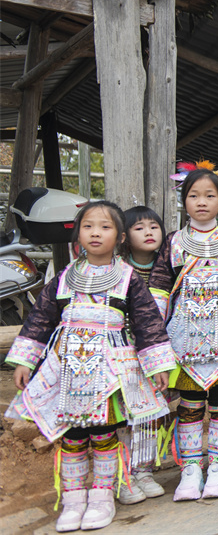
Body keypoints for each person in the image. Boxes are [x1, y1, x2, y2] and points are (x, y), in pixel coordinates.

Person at [6, 201, 175, 532]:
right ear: (77, 234)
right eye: (88, 226)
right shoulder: (65, 278)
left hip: (109, 372)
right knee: (72, 436)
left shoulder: (128, 279)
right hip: (68, 371)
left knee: (104, 434)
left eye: (105, 227)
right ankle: (73, 499)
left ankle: (101, 497)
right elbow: (40, 318)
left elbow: (147, 323)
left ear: (121, 237)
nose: (96, 232)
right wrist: (25, 360)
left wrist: (158, 367)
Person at [149, 168, 218, 502]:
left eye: (210, 196)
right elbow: (160, 287)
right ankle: (190, 469)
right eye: (194, 196)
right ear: (184, 201)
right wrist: (151, 337)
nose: (201, 202)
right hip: (186, 339)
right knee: (190, 404)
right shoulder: (174, 243)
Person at [117, 205, 168, 504]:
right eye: (139, 228)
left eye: (154, 226)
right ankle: (122, 474)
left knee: (150, 412)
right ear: (124, 236)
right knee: (125, 414)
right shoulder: (118, 270)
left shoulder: (170, 266)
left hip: (155, 352)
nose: (148, 232)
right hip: (122, 350)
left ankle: (144, 470)